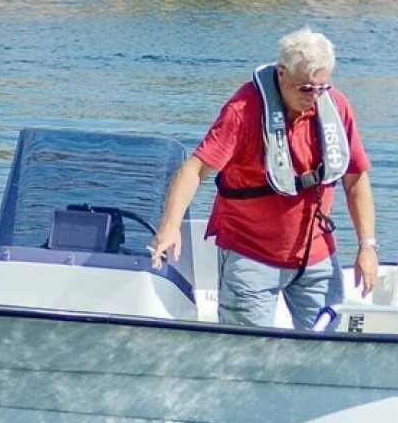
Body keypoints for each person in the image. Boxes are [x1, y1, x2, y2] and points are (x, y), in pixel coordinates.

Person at [149, 28, 378, 329]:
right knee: (246, 351)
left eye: (322, 88)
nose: (315, 97)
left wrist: (367, 246)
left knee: (330, 345)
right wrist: (169, 227)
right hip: (251, 255)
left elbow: (356, 180)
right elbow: (194, 169)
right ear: (281, 74)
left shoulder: (335, 106)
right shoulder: (243, 111)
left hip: (316, 257)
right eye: (306, 88)